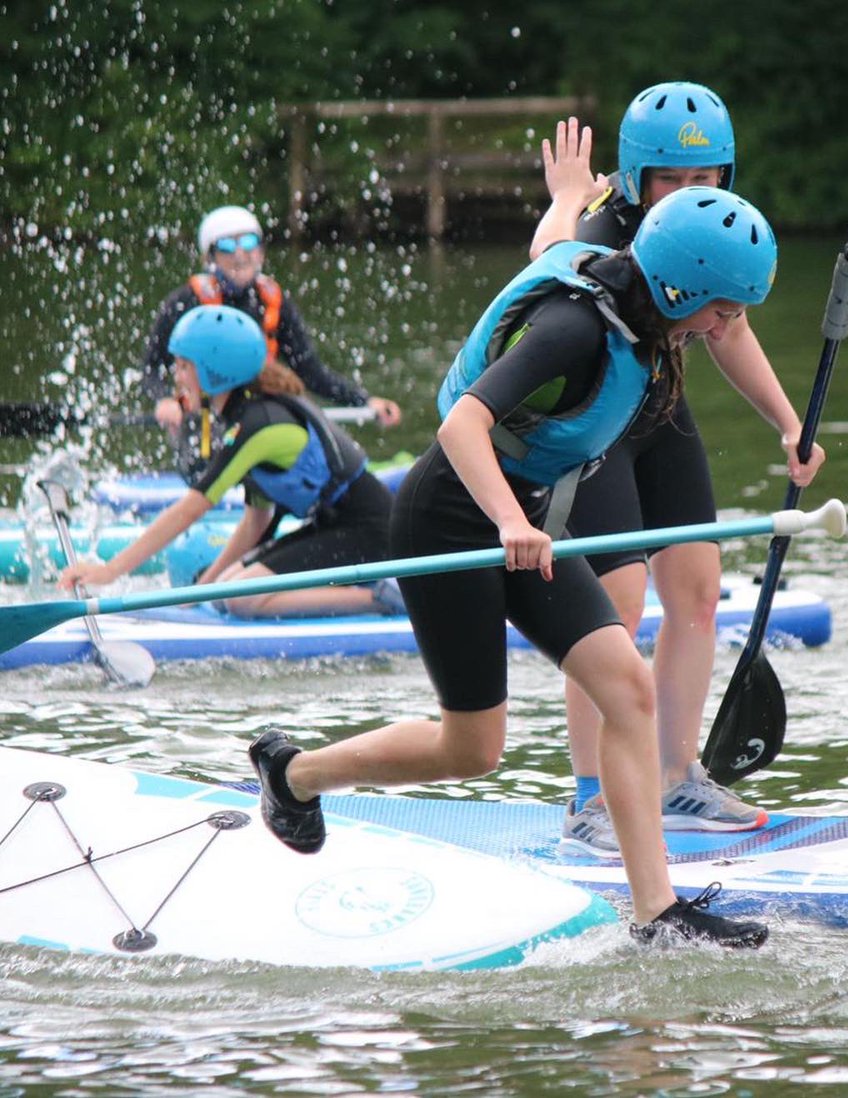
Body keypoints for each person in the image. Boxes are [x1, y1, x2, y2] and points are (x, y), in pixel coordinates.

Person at [249, 185, 780, 947]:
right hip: (448, 521)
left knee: (626, 687)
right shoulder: (571, 329)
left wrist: (566, 195)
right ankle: (292, 775)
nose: (728, 328)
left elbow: (559, 235)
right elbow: (463, 420)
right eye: (724, 311)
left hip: (524, 522)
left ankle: (656, 914)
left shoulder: (646, 316)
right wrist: (504, 518)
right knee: (472, 750)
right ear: (677, 287)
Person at [529, 84, 827, 856]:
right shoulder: (601, 217)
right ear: (635, 177)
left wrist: (788, 422)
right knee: (615, 611)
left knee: (696, 590)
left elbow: (728, 333)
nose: (695, 194)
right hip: (594, 422)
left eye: (709, 179)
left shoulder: (711, 229)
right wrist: (564, 196)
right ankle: (590, 797)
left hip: (660, 410)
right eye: (674, 180)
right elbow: (543, 260)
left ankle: (674, 775)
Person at [62, 304, 405, 619]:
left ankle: (384, 599)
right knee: (229, 587)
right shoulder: (244, 415)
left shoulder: (258, 424)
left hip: (370, 531)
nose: (177, 377)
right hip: (333, 525)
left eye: (184, 367)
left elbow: (190, 509)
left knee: (243, 600)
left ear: (215, 371)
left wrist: (109, 572)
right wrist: (204, 589)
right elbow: (257, 520)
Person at [141, 204, 402, 481]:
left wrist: (364, 400)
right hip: (205, 418)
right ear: (211, 256)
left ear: (262, 252)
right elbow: (151, 369)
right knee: (204, 457)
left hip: (256, 413)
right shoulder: (184, 303)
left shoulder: (273, 303)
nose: (241, 253)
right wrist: (164, 401)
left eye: (250, 243)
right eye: (228, 245)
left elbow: (310, 371)